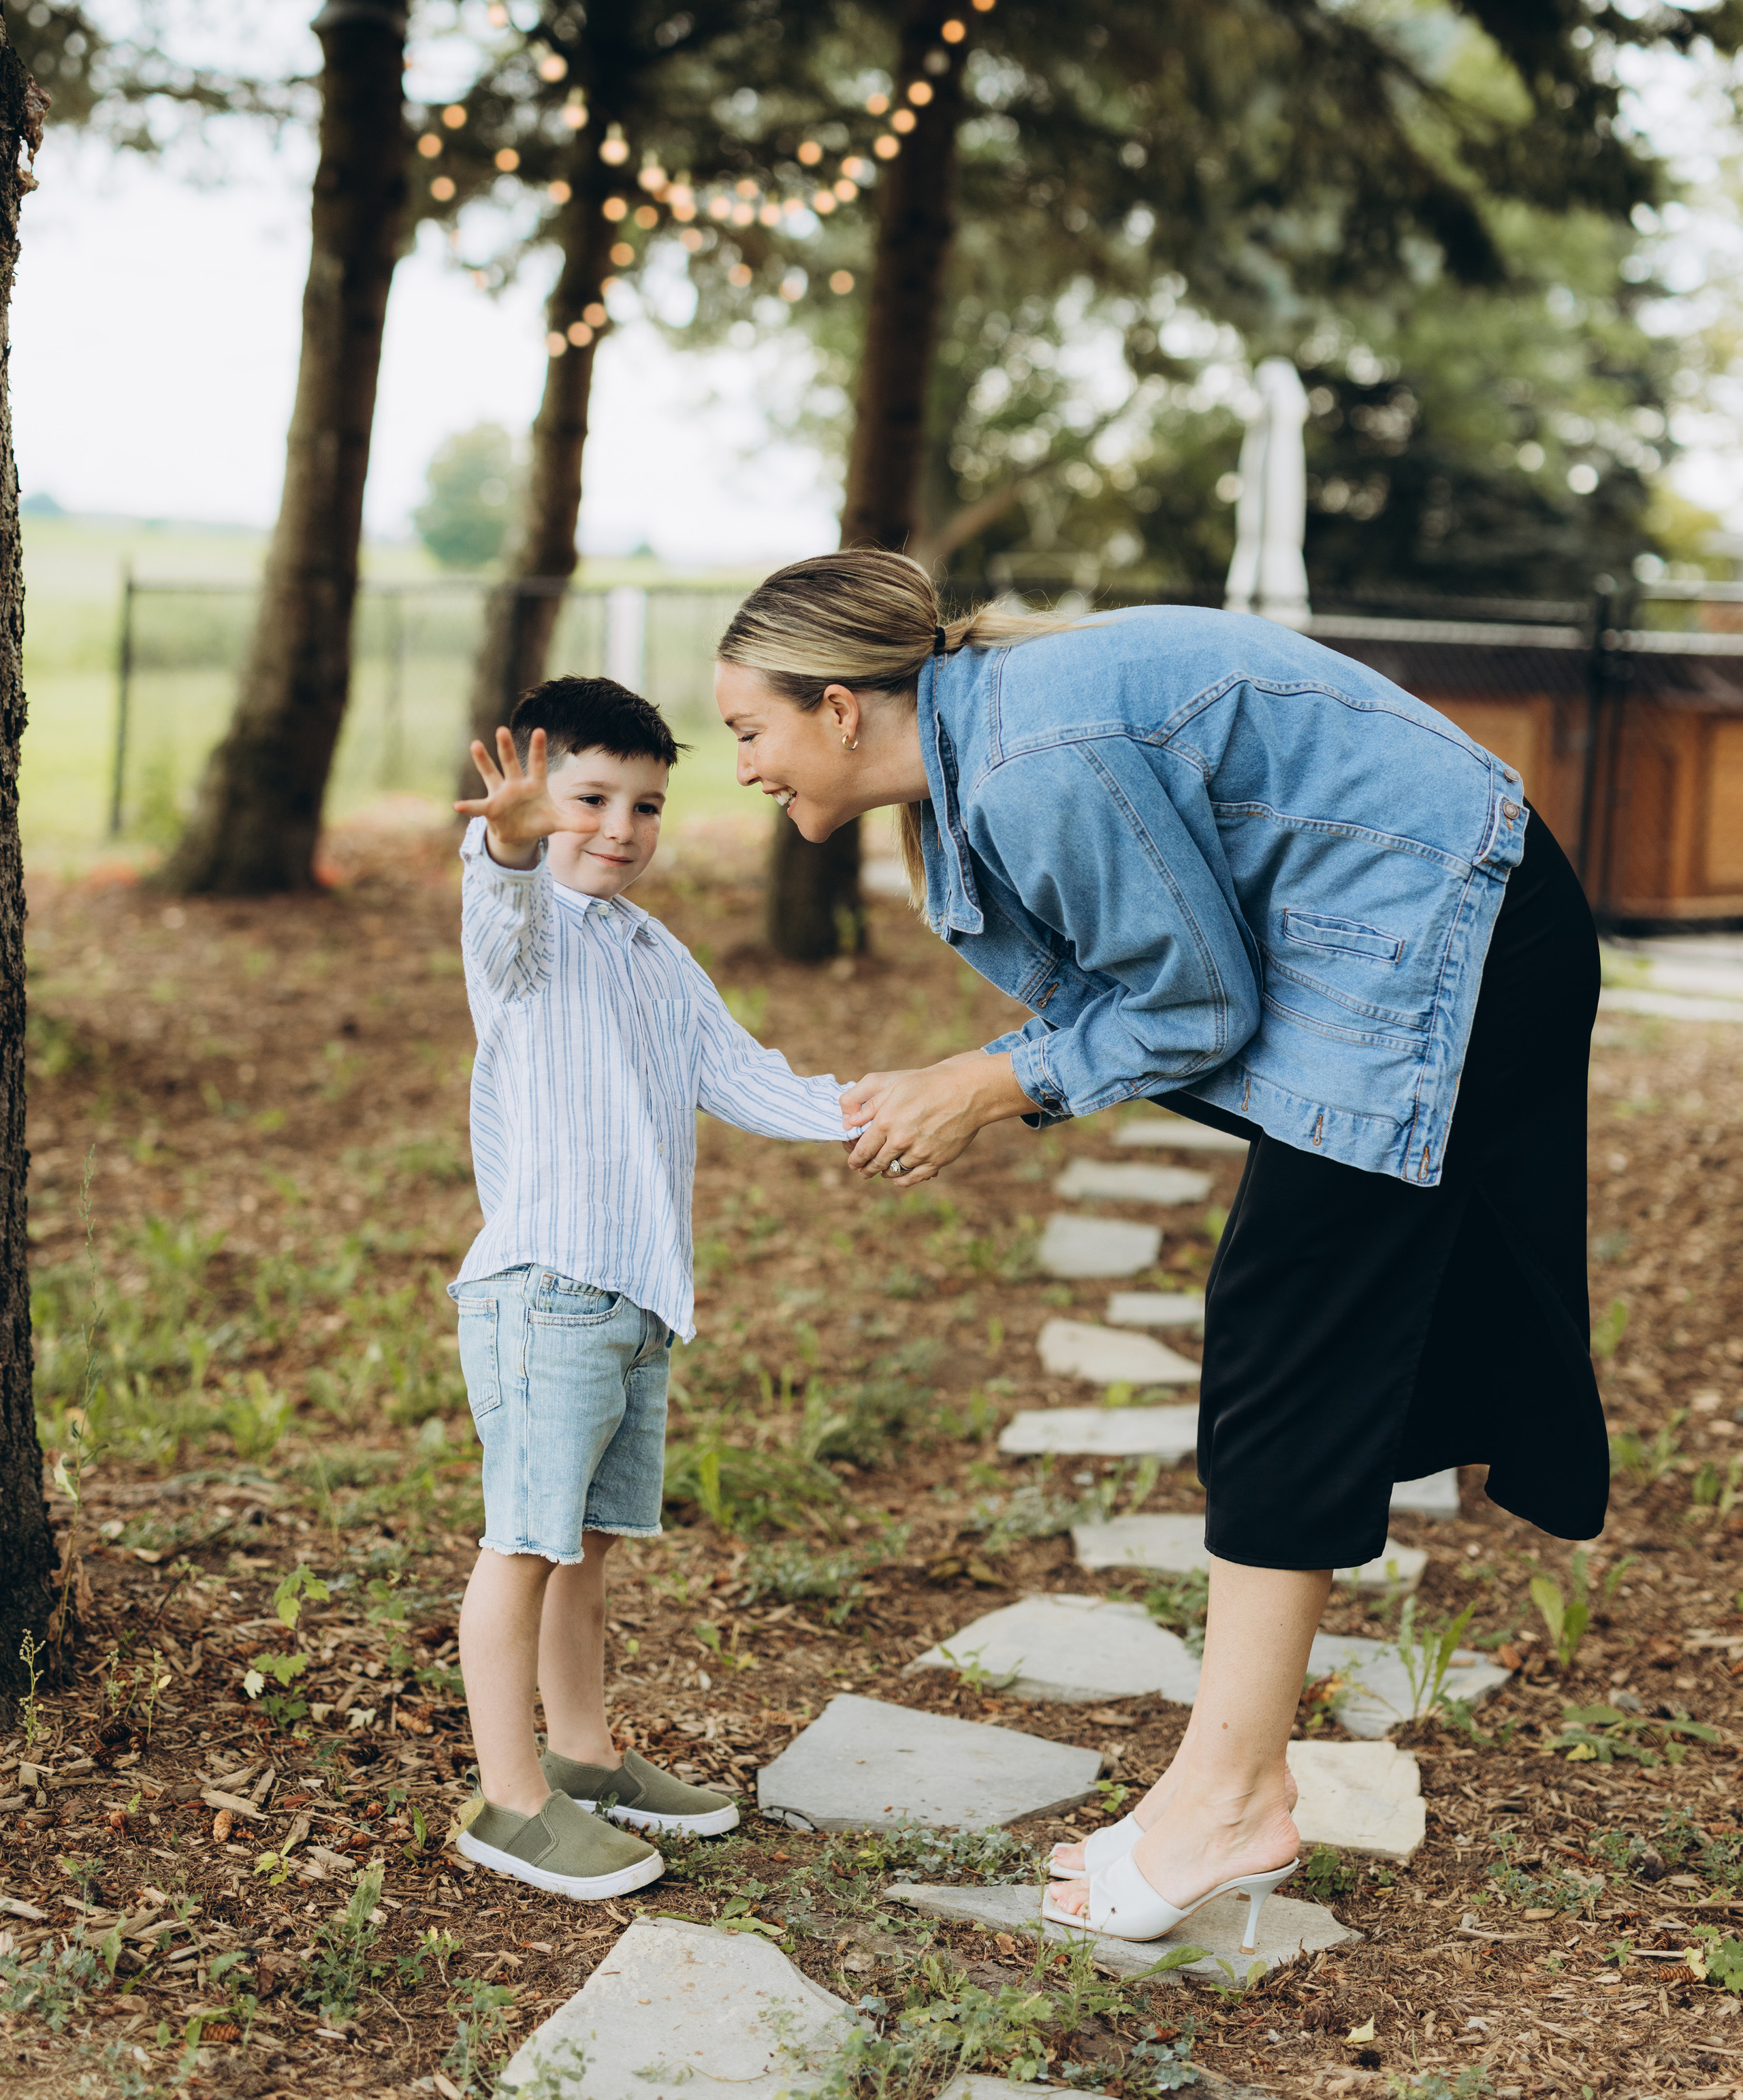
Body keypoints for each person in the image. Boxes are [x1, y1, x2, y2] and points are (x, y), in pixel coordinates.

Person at [716, 551, 1607, 1948]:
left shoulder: (1024, 761)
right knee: (1288, 1335)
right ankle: (1223, 1785)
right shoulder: (991, 739)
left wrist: (980, 1084)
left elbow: (1193, 1006)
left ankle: (1231, 1799)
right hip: (1411, 924)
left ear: (837, 708)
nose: (744, 770)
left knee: (1285, 1339)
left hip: (1446, 925)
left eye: (745, 732)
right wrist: (982, 1072)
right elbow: (1141, 978)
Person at [447, 674, 852, 1901]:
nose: (619, 828)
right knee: (524, 1543)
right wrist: (513, 834)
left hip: (632, 1303)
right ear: (537, 793)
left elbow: (745, 1075)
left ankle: (581, 1760)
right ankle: (510, 1806)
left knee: (588, 1546)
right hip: (547, 1290)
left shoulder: (650, 950)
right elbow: (503, 883)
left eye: (646, 805)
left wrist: (889, 1109)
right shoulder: (521, 933)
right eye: (591, 799)